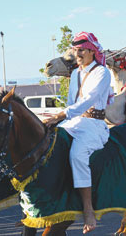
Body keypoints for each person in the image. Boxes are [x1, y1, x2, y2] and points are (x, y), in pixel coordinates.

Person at [43, 32, 112, 234]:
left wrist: (63, 115)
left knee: (77, 155)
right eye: (76, 49)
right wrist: (58, 117)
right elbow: (73, 103)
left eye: (81, 49)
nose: (77, 53)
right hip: (73, 122)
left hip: (94, 125)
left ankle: (88, 209)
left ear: (92, 51)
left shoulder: (102, 72)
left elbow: (88, 100)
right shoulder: (75, 74)